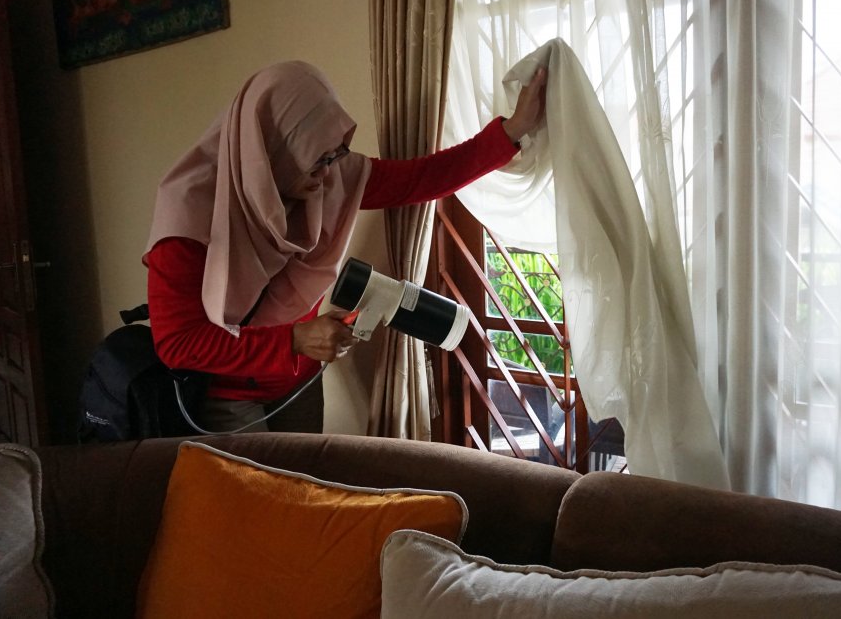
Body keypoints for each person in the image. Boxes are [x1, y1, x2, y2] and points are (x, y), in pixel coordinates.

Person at [144, 60, 547, 433]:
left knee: (308, 493)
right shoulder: (190, 215)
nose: (327, 176)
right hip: (226, 396)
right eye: (316, 162)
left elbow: (420, 179)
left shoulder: (331, 173)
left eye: (335, 155)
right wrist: (295, 340)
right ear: (271, 152)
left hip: (298, 379)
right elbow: (177, 343)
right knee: (261, 507)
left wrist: (512, 131)